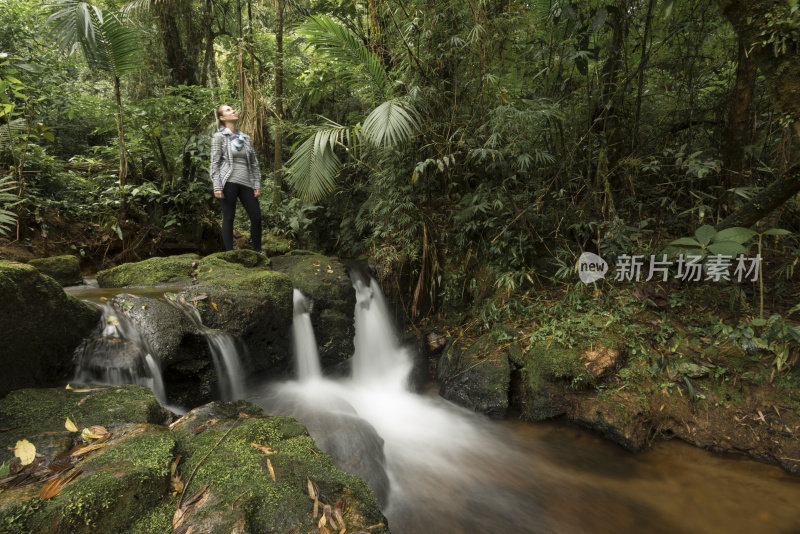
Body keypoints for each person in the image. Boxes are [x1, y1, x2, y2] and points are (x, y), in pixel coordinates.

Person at [209, 104, 264, 254]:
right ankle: (229, 253)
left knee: (256, 217)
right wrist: (217, 186)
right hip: (228, 182)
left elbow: (254, 163)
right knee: (229, 217)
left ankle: (258, 251)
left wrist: (256, 184)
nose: (233, 111)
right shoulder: (219, 137)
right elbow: (215, 162)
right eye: (228, 110)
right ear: (222, 118)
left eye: (233, 109)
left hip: (246, 182)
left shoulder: (245, 138)